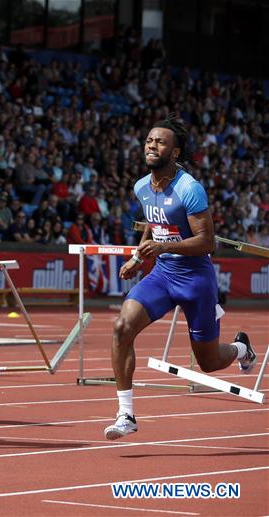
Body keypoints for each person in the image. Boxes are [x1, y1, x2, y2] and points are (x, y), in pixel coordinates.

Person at [105, 115, 256, 440]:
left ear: (175, 152)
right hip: (162, 274)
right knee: (121, 328)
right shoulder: (142, 186)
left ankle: (242, 349)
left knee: (209, 361)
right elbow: (152, 221)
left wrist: (161, 245)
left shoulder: (190, 188)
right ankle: (125, 413)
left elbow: (206, 241)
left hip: (195, 279)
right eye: (148, 141)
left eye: (160, 142)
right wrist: (137, 255)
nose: (151, 146)